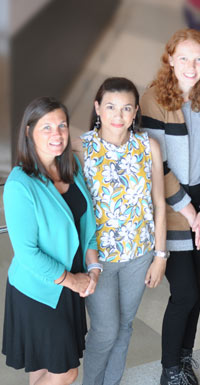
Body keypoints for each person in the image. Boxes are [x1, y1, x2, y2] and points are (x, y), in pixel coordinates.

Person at [140, 28, 200, 385]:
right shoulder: (152, 99)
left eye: (198, 59)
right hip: (169, 205)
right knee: (185, 292)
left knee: (196, 293)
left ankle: (185, 358)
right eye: (183, 58)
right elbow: (156, 165)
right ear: (170, 59)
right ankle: (169, 369)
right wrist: (188, 210)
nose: (191, 66)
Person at [2, 97, 100, 385]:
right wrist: (73, 280)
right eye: (46, 127)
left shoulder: (72, 166)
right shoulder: (20, 184)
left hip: (69, 285)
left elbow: (88, 227)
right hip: (39, 291)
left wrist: (93, 269)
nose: (56, 134)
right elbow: (27, 253)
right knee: (65, 371)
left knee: (43, 367)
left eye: (62, 126)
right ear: (29, 132)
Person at [79, 77, 167, 385]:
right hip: (98, 259)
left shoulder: (148, 145)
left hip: (139, 255)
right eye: (111, 107)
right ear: (98, 109)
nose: (118, 116)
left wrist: (160, 255)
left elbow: (158, 201)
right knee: (105, 330)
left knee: (126, 325)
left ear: (135, 112)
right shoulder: (81, 146)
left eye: (126, 108)